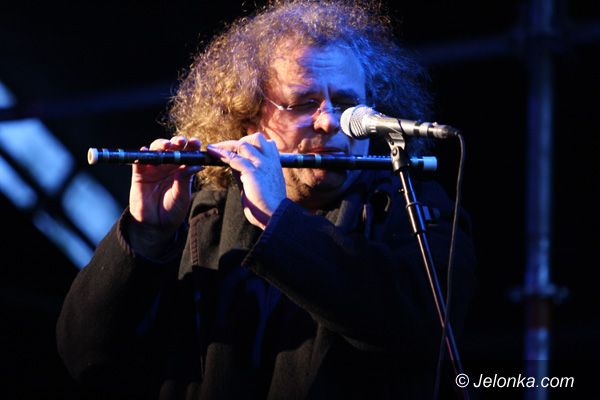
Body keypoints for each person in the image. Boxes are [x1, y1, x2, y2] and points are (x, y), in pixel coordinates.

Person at [57, 1, 476, 399]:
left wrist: (279, 220)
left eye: (348, 103)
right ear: (251, 118)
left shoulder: (413, 209)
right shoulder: (202, 216)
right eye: (304, 103)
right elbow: (85, 355)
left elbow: (421, 329)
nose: (330, 122)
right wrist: (146, 235)